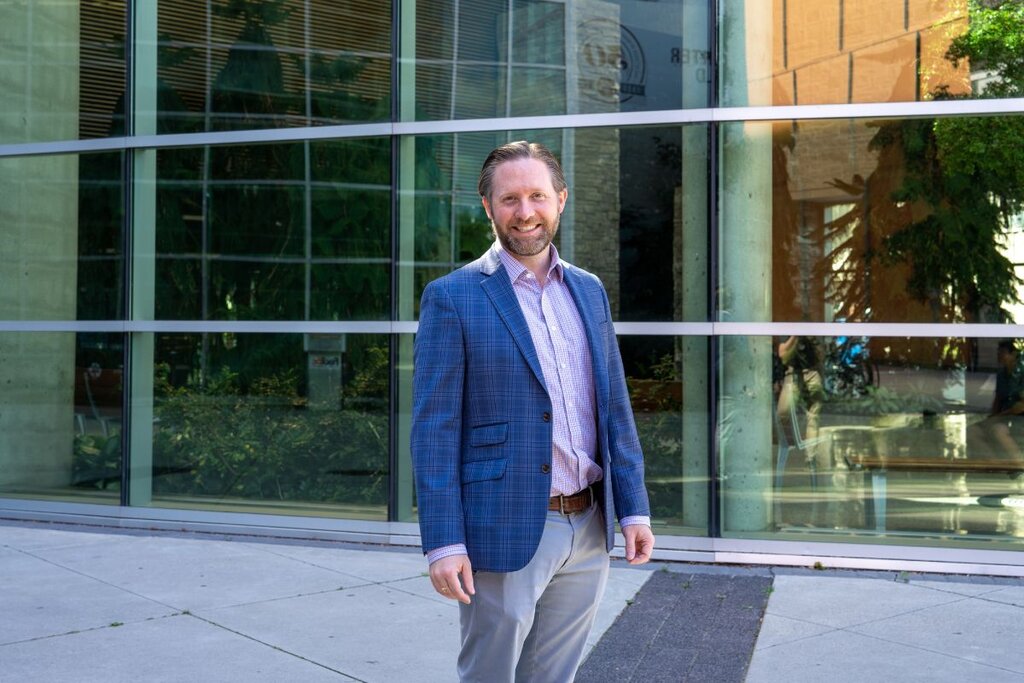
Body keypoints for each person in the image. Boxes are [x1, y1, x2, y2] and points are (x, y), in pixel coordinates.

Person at [411, 140, 655, 682]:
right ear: (488, 207)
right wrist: (444, 542)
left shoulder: (589, 292)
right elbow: (434, 430)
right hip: (504, 524)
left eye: (537, 196)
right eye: (510, 199)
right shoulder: (453, 297)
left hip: (589, 525)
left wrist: (632, 508)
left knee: (554, 676)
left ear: (561, 200)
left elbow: (613, 404)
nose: (525, 212)